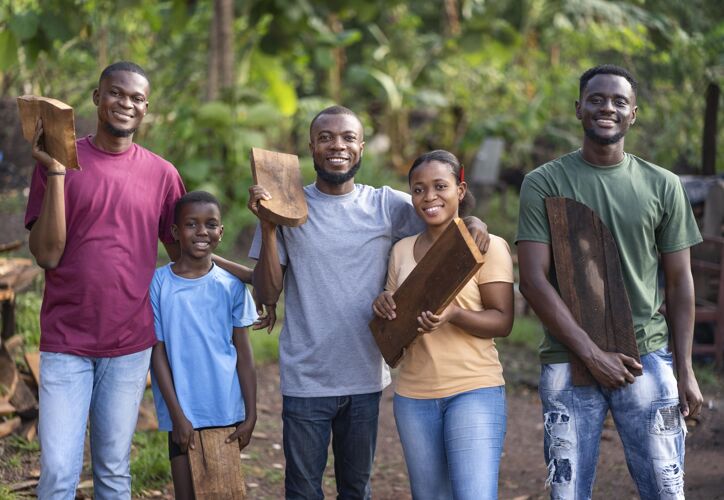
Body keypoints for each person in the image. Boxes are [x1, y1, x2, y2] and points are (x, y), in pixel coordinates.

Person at [248, 106, 490, 499]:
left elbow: (443, 220)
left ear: (361, 147)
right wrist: (267, 223)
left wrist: (475, 223)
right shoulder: (287, 208)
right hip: (306, 377)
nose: (336, 145)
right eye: (325, 137)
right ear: (312, 147)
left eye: (347, 137)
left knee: (355, 489)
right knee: (302, 490)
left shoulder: (387, 205)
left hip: (364, 376)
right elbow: (266, 294)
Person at [516, 64, 703, 499]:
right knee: (567, 492)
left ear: (633, 113)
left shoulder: (664, 185)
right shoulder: (544, 182)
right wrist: (592, 353)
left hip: (648, 357)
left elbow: (680, 284)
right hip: (568, 360)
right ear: (578, 108)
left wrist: (686, 370)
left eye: (620, 101)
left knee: (666, 488)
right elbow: (532, 280)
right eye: (597, 99)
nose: (608, 108)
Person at [24, 61, 187, 499]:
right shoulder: (59, 162)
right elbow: (47, 255)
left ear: (146, 108)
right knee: (58, 472)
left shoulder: (162, 175)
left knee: (114, 471)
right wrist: (56, 173)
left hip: (129, 345)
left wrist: (247, 281)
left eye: (136, 98)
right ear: (97, 98)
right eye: (116, 93)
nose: (125, 103)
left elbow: (185, 259)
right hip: (65, 341)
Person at [372, 150, 514, 499]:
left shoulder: (488, 246)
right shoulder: (402, 250)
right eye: (418, 189)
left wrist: (455, 314)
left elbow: (503, 320)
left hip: (473, 389)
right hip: (413, 396)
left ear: (460, 190)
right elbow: (395, 319)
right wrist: (382, 304)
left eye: (440, 186)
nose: (429, 197)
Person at [150, 191, 258, 500]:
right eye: (191, 224)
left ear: (220, 233)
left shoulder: (232, 286)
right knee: (186, 493)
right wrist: (177, 417)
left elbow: (244, 356)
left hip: (225, 409)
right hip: (181, 412)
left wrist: (250, 415)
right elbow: (157, 354)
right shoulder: (159, 283)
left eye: (210, 224)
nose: (201, 232)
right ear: (174, 232)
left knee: (224, 492)